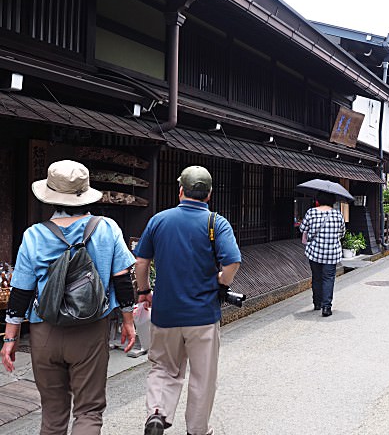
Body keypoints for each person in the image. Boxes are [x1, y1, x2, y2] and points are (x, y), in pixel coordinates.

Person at [1, 160, 136, 435]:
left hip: (45, 331)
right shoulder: (107, 228)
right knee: (88, 411)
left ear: (51, 196)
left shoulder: (34, 235)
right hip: (91, 328)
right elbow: (122, 280)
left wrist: (10, 338)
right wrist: (128, 322)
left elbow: (21, 292)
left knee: (52, 414)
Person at [134, 166, 241, 435]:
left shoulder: (159, 220)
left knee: (163, 368)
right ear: (209, 194)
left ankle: (157, 414)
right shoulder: (217, 223)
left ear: (180, 190)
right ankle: (197, 429)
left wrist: (144, 290)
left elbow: (141, 261)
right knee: (203, 377)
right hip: (203, 316)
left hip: (165, 313)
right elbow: (232, 262)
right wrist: (221, 281)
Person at [299, 192, 345, 317]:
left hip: (315, 252)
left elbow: (302, 229)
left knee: (317, 277)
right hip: (331, 253)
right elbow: (342, 233)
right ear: (333, 201)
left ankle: (317, 303)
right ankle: (326, 307)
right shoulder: (338, 214)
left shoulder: (311, 212)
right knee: (328, 278)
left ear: (318, 200)